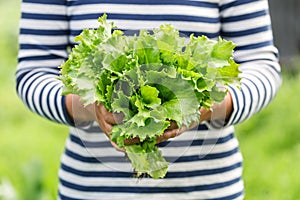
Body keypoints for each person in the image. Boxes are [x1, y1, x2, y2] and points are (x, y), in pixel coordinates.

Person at [16, 0, 282, 199]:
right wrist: (91, 106)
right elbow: (33, 73)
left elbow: (261, 65)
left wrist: (203, 106)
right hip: (93, 190)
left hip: (206, 189)